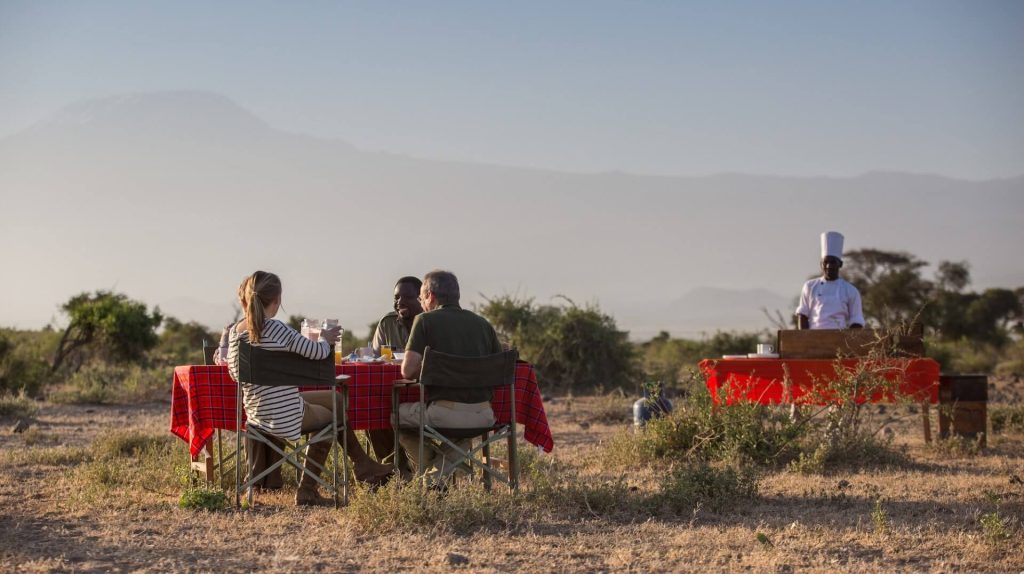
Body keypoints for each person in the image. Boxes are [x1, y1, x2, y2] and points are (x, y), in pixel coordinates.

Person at [227, 271, 393, 505]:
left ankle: (363, 466)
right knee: (333, 416)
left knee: (334, 399)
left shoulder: (235, 333)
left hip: (256, 414)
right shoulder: (276, 329)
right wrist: (326, 338)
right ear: (277, 300)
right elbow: (318, 352)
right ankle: (308, 490)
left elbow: (234, 374)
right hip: (286, 416)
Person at [398, 270, 502, 484]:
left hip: (443, 413)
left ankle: (431, 477)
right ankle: (438, 476)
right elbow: (498, 368)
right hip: (484, 415)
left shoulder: (424, 320)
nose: (421, 302)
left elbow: (407, 371)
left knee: (395, 415)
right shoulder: (483, 324)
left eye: (421, 297)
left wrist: (430, 370)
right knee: (462, 434)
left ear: (431, 297)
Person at [795, 231, 865, 330]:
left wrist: (847, 342)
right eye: (825, 262)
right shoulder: (810, 286)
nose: (829, 266)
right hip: (813, 338)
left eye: (833, 262)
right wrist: (804, 340)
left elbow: (857, 320)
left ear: (840, 264)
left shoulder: (851, 291)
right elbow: (802, 315)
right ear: (821, 264)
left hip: (839, 339)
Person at [371, 276, 424, 354]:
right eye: (396, 298)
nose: (400, 302)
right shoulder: (387, 323)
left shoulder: (432, 323)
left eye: (407, 297)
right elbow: (374, 358)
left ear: (421, 299)